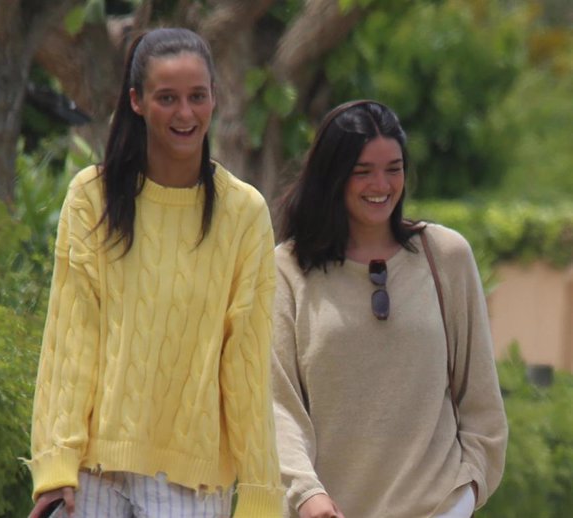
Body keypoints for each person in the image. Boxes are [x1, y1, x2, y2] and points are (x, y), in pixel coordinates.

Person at [25, 27, 283, 518]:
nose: (185, 113)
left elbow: (247, 361)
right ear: (137, 102)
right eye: (167, 98)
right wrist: (57, 465)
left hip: (191, 482)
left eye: (196, 97)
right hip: (91, 472)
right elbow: (71, 337)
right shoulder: (91, 198)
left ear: (214, 100)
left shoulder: (243, 212)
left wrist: (260, 493)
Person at [271, 100, 508, 518]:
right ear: (332, 176)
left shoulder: (446, 256)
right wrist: (306, 494)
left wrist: (463, 498)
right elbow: (277, 405)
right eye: (362, 171)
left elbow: (483, 407)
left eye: (393, 168)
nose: (380, 184)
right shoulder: (286, 269)